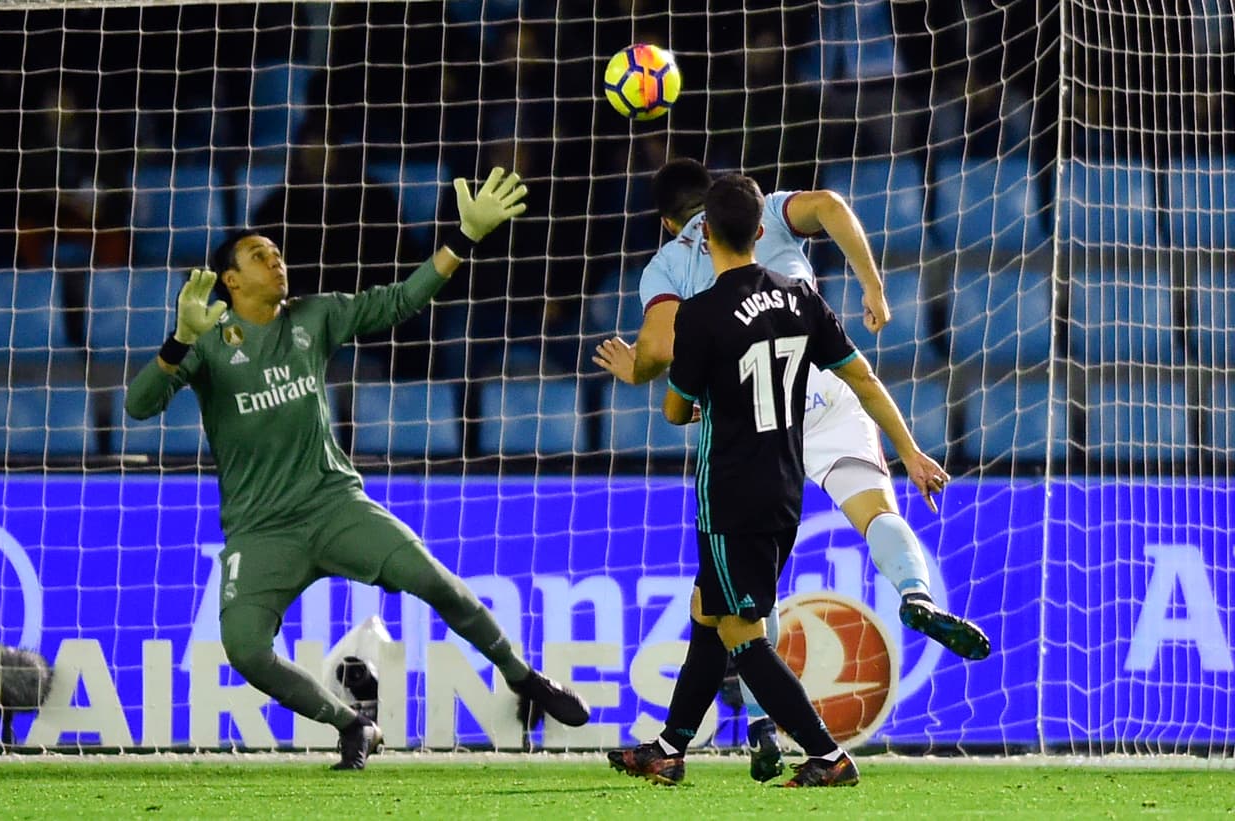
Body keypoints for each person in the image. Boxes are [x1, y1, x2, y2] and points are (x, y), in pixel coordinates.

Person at [125, 167, 590, 770]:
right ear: (231, 280)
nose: (277, 260)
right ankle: (351, 724)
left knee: (437, 583)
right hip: (262, 529)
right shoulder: (209, 342)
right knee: (243, 649)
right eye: (261, 255)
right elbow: (139, 406)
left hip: (335, 504)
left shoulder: (314, 317)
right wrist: (178, 341)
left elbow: (401, 300)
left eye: (277, 252)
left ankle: (523, 677)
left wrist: (465, 238)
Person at [593, 158, 989, 781]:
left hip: (743, 456)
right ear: (758, 228)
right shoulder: (798, 286)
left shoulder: (675, 275)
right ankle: (670, 749)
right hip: (814, 409)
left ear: (672, 223)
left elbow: (666, 367)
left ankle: (807, 745)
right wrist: (909, 446)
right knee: (727, 598)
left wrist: (639, 370)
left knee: (740, 624)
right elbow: (831, 207)